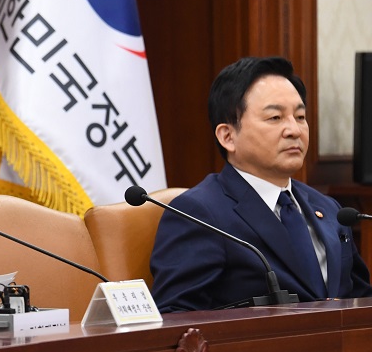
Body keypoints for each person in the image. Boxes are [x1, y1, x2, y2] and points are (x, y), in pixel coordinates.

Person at [150, 56, 372, 312]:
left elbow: (361, 302)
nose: (294, 130)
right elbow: (175, 319)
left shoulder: (330, 208)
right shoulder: (199, 214)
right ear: (228, 136)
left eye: (300, 117)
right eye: (275, 118)